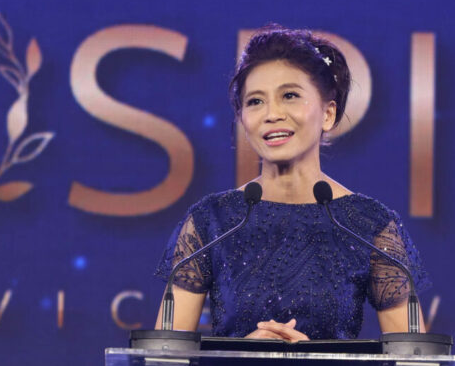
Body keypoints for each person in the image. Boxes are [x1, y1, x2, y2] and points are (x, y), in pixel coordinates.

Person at [154, 24, 429, 342]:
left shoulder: (370, 225)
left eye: (290, 96)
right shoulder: (212, 221)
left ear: (328, 114)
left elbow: (412, 364)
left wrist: (315, 361)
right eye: (255, 102)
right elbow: (163, 359)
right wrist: (242, 357)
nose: (272, 114)